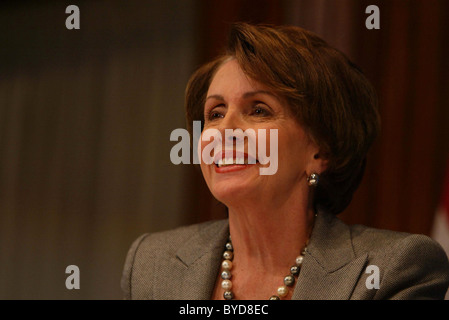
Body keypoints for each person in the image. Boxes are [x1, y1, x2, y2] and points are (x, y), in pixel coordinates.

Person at [121, 23, 449, 300]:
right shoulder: (152, 263)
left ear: (321, 152)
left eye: (259, 110)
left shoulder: (393, 269)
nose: (225, 131)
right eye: (215, 113)